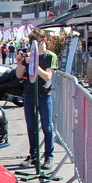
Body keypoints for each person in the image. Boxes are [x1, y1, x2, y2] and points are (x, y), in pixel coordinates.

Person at [16, 27, 57, 170]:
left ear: (43, 41)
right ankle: (33, 155)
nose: (32, 46)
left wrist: (35, 64)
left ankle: (48, 157)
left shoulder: (50, 56)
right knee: (31, 127)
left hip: (44, 95)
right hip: (29, 94)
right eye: (31, 43)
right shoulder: (29, 55)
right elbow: (19, 75)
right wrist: (20, 62)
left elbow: (48, 76)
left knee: (47, 127)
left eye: (36, 42)